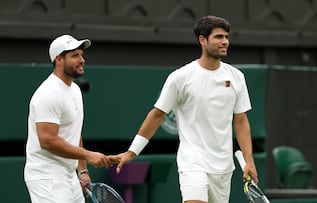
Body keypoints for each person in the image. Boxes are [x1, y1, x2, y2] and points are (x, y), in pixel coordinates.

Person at [110, 15, 259, 203]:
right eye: (218, 37)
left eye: (226, 37)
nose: (225, 42)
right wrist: (132, 152)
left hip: (223, 167)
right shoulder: (180, 78)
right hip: (192, 162)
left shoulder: (237, 77)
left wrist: (250, 161)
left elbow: (241, 120)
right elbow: (157, 115)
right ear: (203, 40)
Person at [24, 34, 112, 203]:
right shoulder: (48, 93)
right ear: (59, 60)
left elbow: (74, 131)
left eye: (81, 55)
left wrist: (83, 170)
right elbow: (47, 140)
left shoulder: (75, 91)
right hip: (47, 178)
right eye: (74, 56)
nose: (82, 60)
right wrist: (89, 155)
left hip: (70, 176)